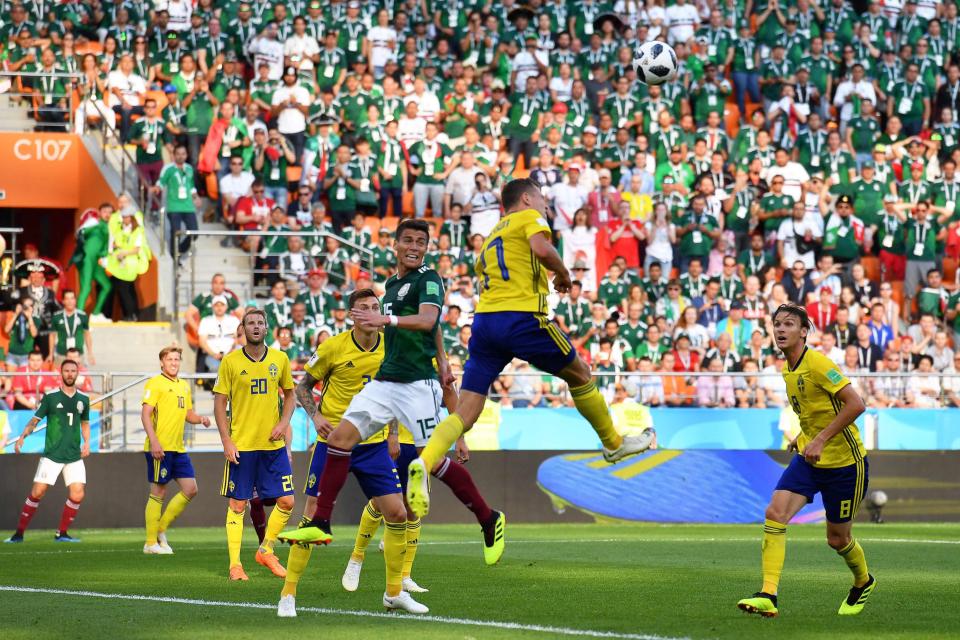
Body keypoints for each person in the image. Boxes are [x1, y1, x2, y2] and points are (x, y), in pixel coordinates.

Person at [404, 177, 656, 520]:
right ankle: (612, 444)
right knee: (580, 373)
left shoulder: (492, 235)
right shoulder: (529, 219)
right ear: (526, 199)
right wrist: (564, 273)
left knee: (467, 409)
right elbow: (540, 248)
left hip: (485, 324)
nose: (546, 208)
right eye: (543, 202)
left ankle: (426, 459)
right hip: (521, 318)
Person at [278, 220, 502, 570]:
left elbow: (429, 320)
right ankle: (321, 521)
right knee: (339, 438)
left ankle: (489, 518)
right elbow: (436, 329)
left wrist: (393, 326)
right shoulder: (394, 283)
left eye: (422, 242)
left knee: (435, 463)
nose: (415, 247)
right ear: (395, 245)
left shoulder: (429, 279)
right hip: (387, 381)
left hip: (418, 385)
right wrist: (442, 356)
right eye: (408, 240)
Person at [277, 289, 428, 617]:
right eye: (365, 308)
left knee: (399, 512)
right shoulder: (333, 347)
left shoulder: (390, 345)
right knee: (313, 515)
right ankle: (288, 593)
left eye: (376, 307)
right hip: (335, 444)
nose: (372, 312)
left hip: (372, 446)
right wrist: (316, 416)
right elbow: (302, 387)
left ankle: (393, 593)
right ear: (352, 315)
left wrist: (392, 433)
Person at [738, 304, 874, 618]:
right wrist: (802, 439)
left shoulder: (818, 363)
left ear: (803, 331)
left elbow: (857, 404)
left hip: (845, 464)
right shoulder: (787, 369)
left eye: (788, 324)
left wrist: (821, 439)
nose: (781, 329)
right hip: (809, 459)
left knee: (837, 539)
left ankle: (863, 581)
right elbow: (813, 415)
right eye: (777, 324)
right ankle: (768, 594)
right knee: (775, 512)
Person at [212, 309, 296, 581]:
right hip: (243, 446)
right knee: (238, 505)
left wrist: (284, 423)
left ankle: (266, 549)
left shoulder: (280, 359)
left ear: (266, 328)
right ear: (243, 328)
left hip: (272, 447)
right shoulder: (231, 361)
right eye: (251, 323)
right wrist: (226, 440)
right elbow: (219, 403)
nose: (256, 327)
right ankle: (235, 565)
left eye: (260, 323)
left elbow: (291, 396)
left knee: (287, 500)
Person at [5, 359, 90, 543]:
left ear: (77, 373)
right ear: (61, 373)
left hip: (74, 455)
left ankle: (62, 533)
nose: (69, 374)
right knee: (37, 493)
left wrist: (87, 442)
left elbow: (85, 423)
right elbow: (35, 420)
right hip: (52, 455)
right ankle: (18, 533)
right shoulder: (51, 397)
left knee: (78, 494)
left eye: (73, 371)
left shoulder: (83, 399)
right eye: (66, 370)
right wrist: (22, 437)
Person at [141, 345, 210, 554]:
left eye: (177, 359)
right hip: (159, 447)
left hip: (178, 448)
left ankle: (160, 529)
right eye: (170, 359)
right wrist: (154, 442)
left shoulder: (183, 386)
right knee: (159, 491)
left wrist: (201, 419)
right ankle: (150, 543)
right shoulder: (155, 383)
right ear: (162, 362)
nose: (173, 363)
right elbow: (145, 414)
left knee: (191, 489)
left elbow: (188, 413)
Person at [155, 144, 200, 260]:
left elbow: (191, 186)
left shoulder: (189, 168)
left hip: (188, 206)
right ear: (174, 155)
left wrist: (196, 197)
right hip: (174, 206)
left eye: (183, 154)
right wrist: (157, 188)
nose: (180, 156)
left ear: (186, 155)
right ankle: (174, 258)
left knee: (194, 232)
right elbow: (161, 181)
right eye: (178, 154)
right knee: (176, 232)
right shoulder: (169, 168)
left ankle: (178, 251)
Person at [48, 290, 94, 366]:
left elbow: (87, 335)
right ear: (63, 301)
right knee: (60, 377)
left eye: (72, 298)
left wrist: (90, 353)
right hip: (61, 354)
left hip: (78, 355)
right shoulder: (56, 317)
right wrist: (50, 354)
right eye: (67, 299)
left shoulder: (82, 316)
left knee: (79, 377)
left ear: (75, 300)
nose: (70, 301)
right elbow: (52, 336)